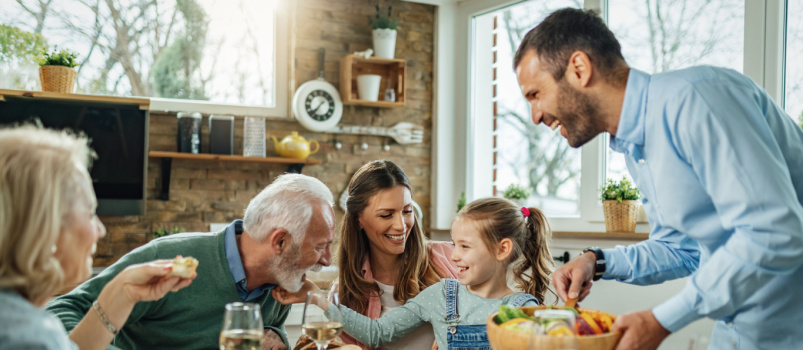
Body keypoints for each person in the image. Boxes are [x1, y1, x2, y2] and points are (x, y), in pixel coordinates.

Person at [513, 8, 803, 350]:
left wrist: (662, 320)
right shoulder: (637, 145)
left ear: (579, 69)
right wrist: (596, 261)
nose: (534, 116)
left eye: (535, 94)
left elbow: (774, 232)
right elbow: (683, 249)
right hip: (740, 331)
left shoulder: (697, 99)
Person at [47, 172, 336, 350]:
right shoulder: (172, 259)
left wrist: (277, 338)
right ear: (280, 242)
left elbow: (275, 334)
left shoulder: (280, 281)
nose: (327, 260)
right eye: (321, 247)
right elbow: (59, 310)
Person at [0, 125, 195, 350]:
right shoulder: (27, 338)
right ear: (44, 227)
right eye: (90, 212)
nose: (100, 230)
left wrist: (123, 292)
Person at [275, 197, 555, 350]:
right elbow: (376, 333)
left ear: (502, 249)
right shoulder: (443, 294)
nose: (454, 254)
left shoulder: (520, 310)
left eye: (465, 247)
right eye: (454, 244)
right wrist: (319, 299)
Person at [331, 160, 459, 350]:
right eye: (386, 215)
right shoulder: (344, 294)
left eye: (407, 211)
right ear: (358, 219)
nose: (401, 225)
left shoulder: (452, 257)